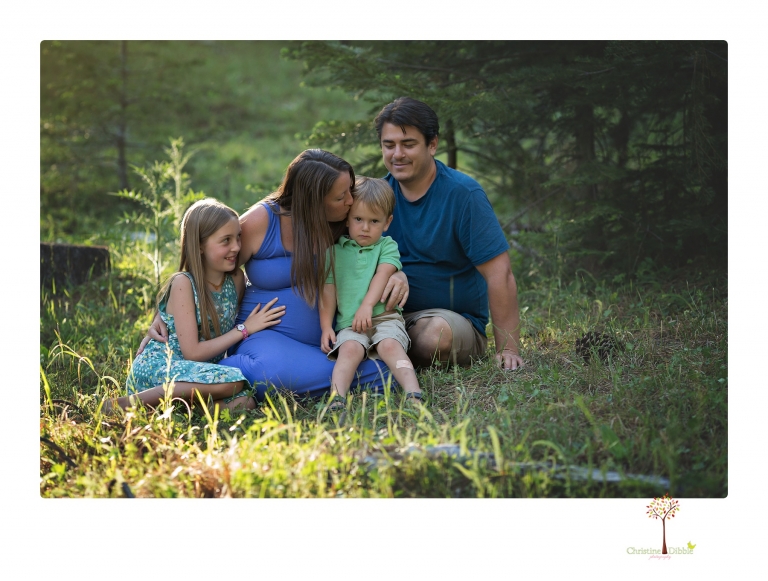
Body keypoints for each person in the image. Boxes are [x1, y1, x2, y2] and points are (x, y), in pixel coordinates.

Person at [142, 150, 409, 401]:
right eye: (341, 197)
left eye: (349, 191)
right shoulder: (262, 220)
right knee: (266, 373)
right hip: (264, 337)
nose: (350, 202)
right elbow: (205, 262)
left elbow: (377, 251)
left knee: (380, 371)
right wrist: (165, 316)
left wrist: (397, 273)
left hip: (332, 340)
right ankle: (230, 375)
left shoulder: (346, 221)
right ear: (313, 200)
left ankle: (309, 376)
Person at [374, 96, 525, 371]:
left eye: (408, 144)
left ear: (432, 145)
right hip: (390, 316)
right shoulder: (377, 198)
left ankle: (386, 353)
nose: (397, 154)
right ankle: (388, 351)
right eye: (389, 145)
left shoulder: (463, 195)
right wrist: (392, 271)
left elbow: (499, 273)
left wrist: (508, 349)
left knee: (436, 337)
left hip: (451, 322)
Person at [106, 198, 286, 413]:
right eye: (226, 240)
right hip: (161, 368)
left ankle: (169, 409)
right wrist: (245, 329)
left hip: (197, 373)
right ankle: (129, 403)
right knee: (234, 382)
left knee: (246, 402)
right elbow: (192, 352)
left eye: (238, 237)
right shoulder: (183, 283)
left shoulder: (236, 279)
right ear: (199, 245)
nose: (237, 247)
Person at [319, 177, 422, 409]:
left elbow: (382, 275)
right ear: (347, 218)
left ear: (387, 222)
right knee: (349, 349)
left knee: (389, 346)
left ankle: (413, 392)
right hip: (350, 323)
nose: (365, 228)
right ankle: (337, 397)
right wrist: (326, 326)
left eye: (374, 221)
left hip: (385, 317)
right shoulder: (333, 252)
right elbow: (327, 291)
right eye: (358, 219)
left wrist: (367, 306)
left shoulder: (386, 246)